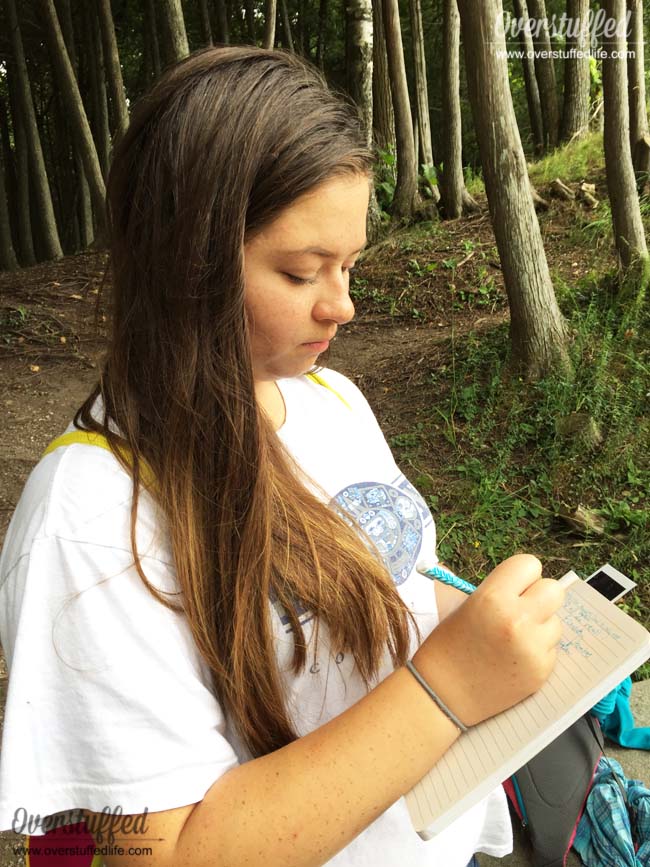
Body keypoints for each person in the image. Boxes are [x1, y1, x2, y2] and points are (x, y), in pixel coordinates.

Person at [0, 46, 564, 867]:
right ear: (185, 260)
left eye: (350, 264)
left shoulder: (332, 402)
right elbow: (164, 851)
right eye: (302, 272)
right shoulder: (91, 517)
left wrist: (494, 633)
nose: (343, 304)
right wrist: (448, 689)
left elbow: (391, 596)